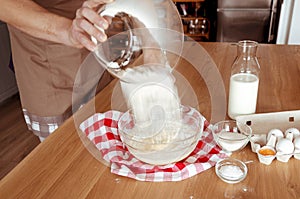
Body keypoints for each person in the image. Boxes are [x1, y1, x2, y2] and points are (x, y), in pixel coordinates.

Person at [0, 0, 114, 141]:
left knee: (110, 129)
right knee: (68, 151)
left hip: (95, 49)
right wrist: (65, 30)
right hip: (47, 62)